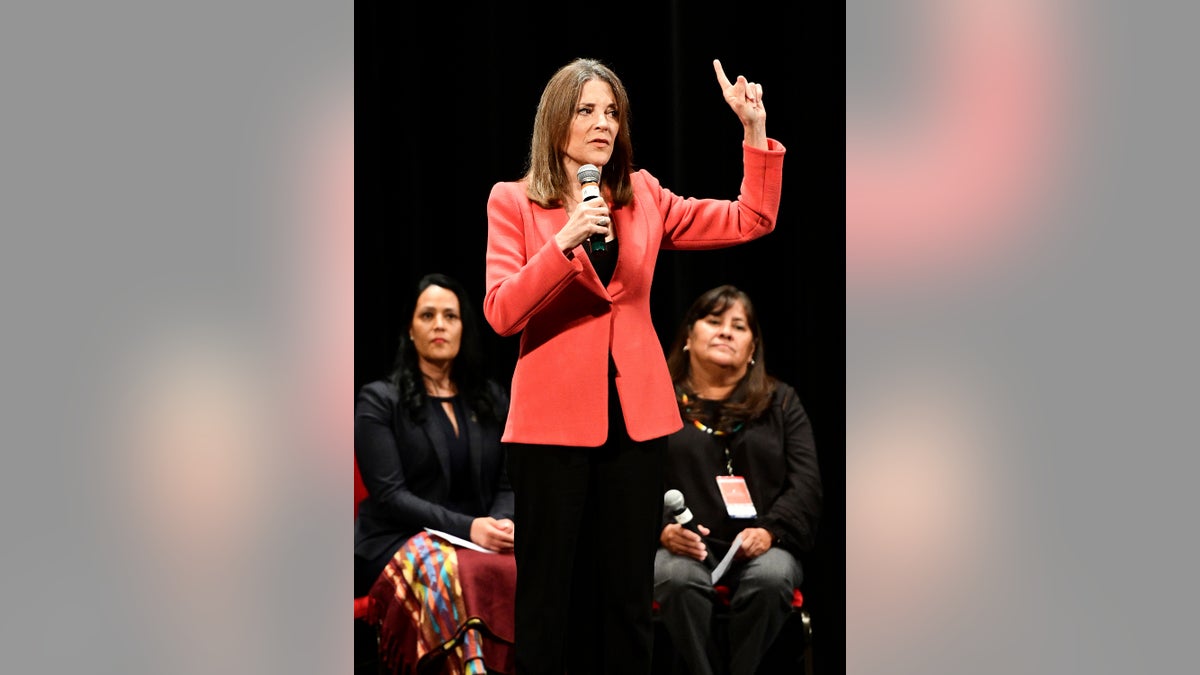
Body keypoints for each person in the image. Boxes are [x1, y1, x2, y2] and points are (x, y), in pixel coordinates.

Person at [483, 57, 786, 674]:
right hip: (550, 429)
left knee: (625, 598)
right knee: (547, 602)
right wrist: (562, 242)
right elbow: (499, 312)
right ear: (556, 121)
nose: (602, 123)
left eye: (612, 111)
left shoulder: (642, 193)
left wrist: (754, 133)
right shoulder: (513, 201)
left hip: (636, 424)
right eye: (587, 109)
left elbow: (750, 218)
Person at [653, 285, 822, 675]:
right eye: (713, 321)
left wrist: (771, 532)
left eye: (739, 326)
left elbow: (806, 484)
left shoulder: (781, 402)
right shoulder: (658, 401)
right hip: (684, 546)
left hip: (762, 545)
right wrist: (661, 531)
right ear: (688, 339)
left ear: (752, 349)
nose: (725, 332)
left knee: (773, 577)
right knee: (675, 578)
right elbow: (631, 487)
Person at [354, 273, 516, 671]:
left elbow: (509, 482)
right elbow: (391, 497)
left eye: (450, 315)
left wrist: (497, 524)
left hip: (477, 540)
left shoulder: (492, 398)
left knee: (535, 562)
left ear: (464, 328)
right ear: (410, 329)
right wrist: (470, 528)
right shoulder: (379, 401)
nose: (440, 324)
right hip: (398, 538)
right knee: (448, 571)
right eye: (428, 315)